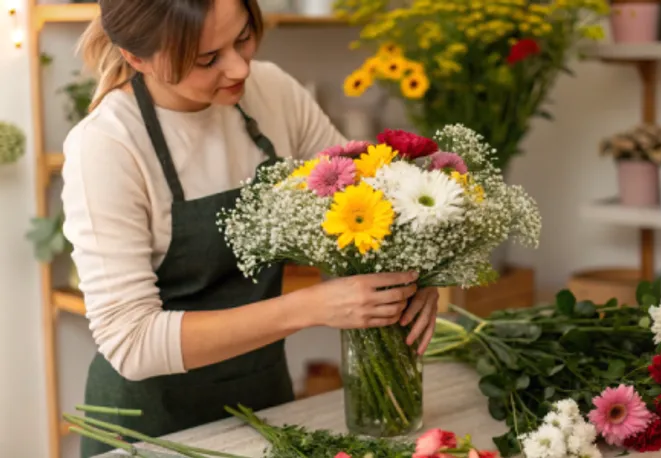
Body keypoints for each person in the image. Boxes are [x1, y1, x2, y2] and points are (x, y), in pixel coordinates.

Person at [60, 0, 440, 456]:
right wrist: (310, 307)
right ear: (137, 57)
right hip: (149, 427)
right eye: (207, 59)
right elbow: (132, 341)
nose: (240, 67)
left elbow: (362, 196)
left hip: (265, 407)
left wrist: (410, 275)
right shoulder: (107, 145)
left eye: (243, 37)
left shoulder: (272, 91)